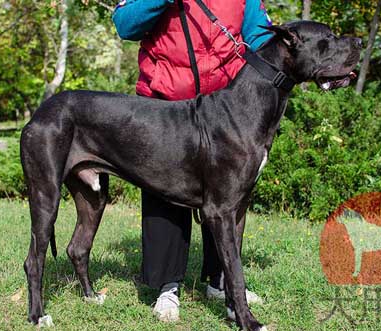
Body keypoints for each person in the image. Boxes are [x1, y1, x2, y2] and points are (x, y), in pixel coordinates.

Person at [112, 0, 273, 322]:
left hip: (225, 106)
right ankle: (167, 287)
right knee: (164, 196)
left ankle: (220, 280)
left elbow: (260, 39)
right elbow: (125, 26)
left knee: (226, 198)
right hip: (165, 104)